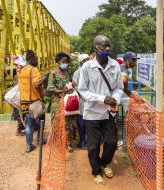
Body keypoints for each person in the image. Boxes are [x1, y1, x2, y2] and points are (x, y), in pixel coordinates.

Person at [78, 35, 124, 184]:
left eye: (108, 45)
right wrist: (101, 98)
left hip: (108, 112)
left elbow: (118, 88)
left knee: (111, 142)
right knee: (93, 146)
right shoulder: (87, 67)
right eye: (104, 46)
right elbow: (82, 90)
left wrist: (115, 99)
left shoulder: (115, 65)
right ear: (96, 47)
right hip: (92, 113)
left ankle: (104, 163)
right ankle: (96, 171)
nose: (107, 49)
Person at [46, 52, 77, 152]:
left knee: (68, 123)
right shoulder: (53, 73)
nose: (65, 63)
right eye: (63, 61)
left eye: (67, 62)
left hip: (67, 101)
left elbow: (70, 83)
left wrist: (72, 85)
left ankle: (69, 143)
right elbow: (50, 87)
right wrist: (62, 91)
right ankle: (57, 143)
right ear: (58, 62)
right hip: (57, 102)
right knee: (56, 122)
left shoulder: (67, 72)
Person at [17, 50, 47, 153]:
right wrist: (44, 78)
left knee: (29, 124)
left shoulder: (21, 70)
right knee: (41, 120)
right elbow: (36, 85)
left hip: (24, 101)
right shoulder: (33, 70)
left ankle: (29, 146)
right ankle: (39, 139)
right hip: (35, 101)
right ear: (32, 59)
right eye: (36, 58)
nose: (37, 59)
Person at [72, 54, 90, 148]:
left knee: (87, 122)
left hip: (88, 101)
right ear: (81, 62)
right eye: (85, 60)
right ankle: (82, 142)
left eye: (88, 59)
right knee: (81, 122)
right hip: (81, 101)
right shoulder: (77, 73)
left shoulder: (89, 71)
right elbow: (74, 87)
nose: (88, 61)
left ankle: (85, 140)